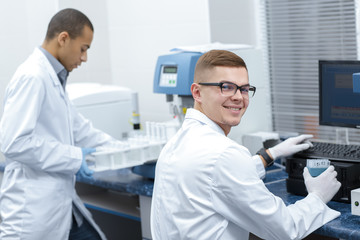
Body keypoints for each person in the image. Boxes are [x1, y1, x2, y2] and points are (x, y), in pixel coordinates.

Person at [150, 50, 341, 240]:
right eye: (226, 87)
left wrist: (270, 155)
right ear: (197, 92)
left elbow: (215, 179)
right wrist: (317, 196)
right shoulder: (224, 154)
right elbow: (285, 228)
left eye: (244, 89)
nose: (238, 97)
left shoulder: (178, 142)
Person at [0, 8, 121, 240]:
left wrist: (124, 151)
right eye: (83, 49)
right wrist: (76, 158)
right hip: (32, 211)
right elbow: (14, 142)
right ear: (64, 38)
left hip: (60, 204)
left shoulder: (53, 77)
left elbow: (80, 129)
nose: (84, 58)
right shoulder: (32, 76)